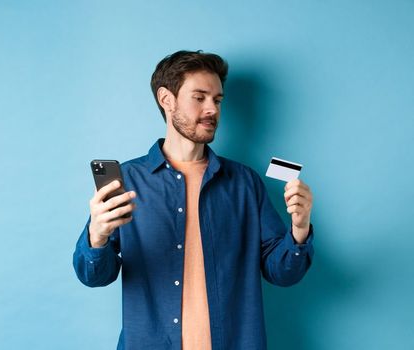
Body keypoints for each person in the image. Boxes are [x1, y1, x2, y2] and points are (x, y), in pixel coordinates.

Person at [72, 50, 314, 349]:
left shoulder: (244, 183)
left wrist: (299, 230)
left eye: (218, 100)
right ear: (166, 99)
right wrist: (97, 237)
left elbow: (282, 274)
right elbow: (94, 277)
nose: (212, 109)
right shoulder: (127, 180)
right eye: (199, 97)